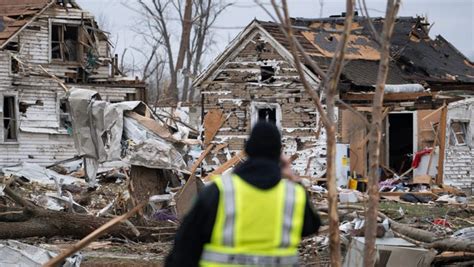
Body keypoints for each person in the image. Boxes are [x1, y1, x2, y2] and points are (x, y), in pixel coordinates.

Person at [165, 121, 321, 266]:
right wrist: (293, 178)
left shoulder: (219, 192)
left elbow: (185, 247)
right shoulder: (293, 196)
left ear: (248, 150)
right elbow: (311, 226)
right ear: (279, 155)